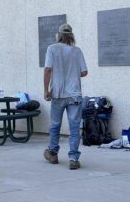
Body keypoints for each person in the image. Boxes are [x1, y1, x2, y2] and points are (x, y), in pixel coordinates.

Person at [43, 23, 88, 170]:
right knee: (74, 127)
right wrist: (72, 73)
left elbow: (48, 70)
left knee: (55, 125)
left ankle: (53, 153)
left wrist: (46, 90)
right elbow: (84, 72)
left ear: (59, 35)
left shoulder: (52, 49)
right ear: (71, 36)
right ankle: (73, 159)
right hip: (74, 94)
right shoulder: (77, 51)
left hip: (58, 93)